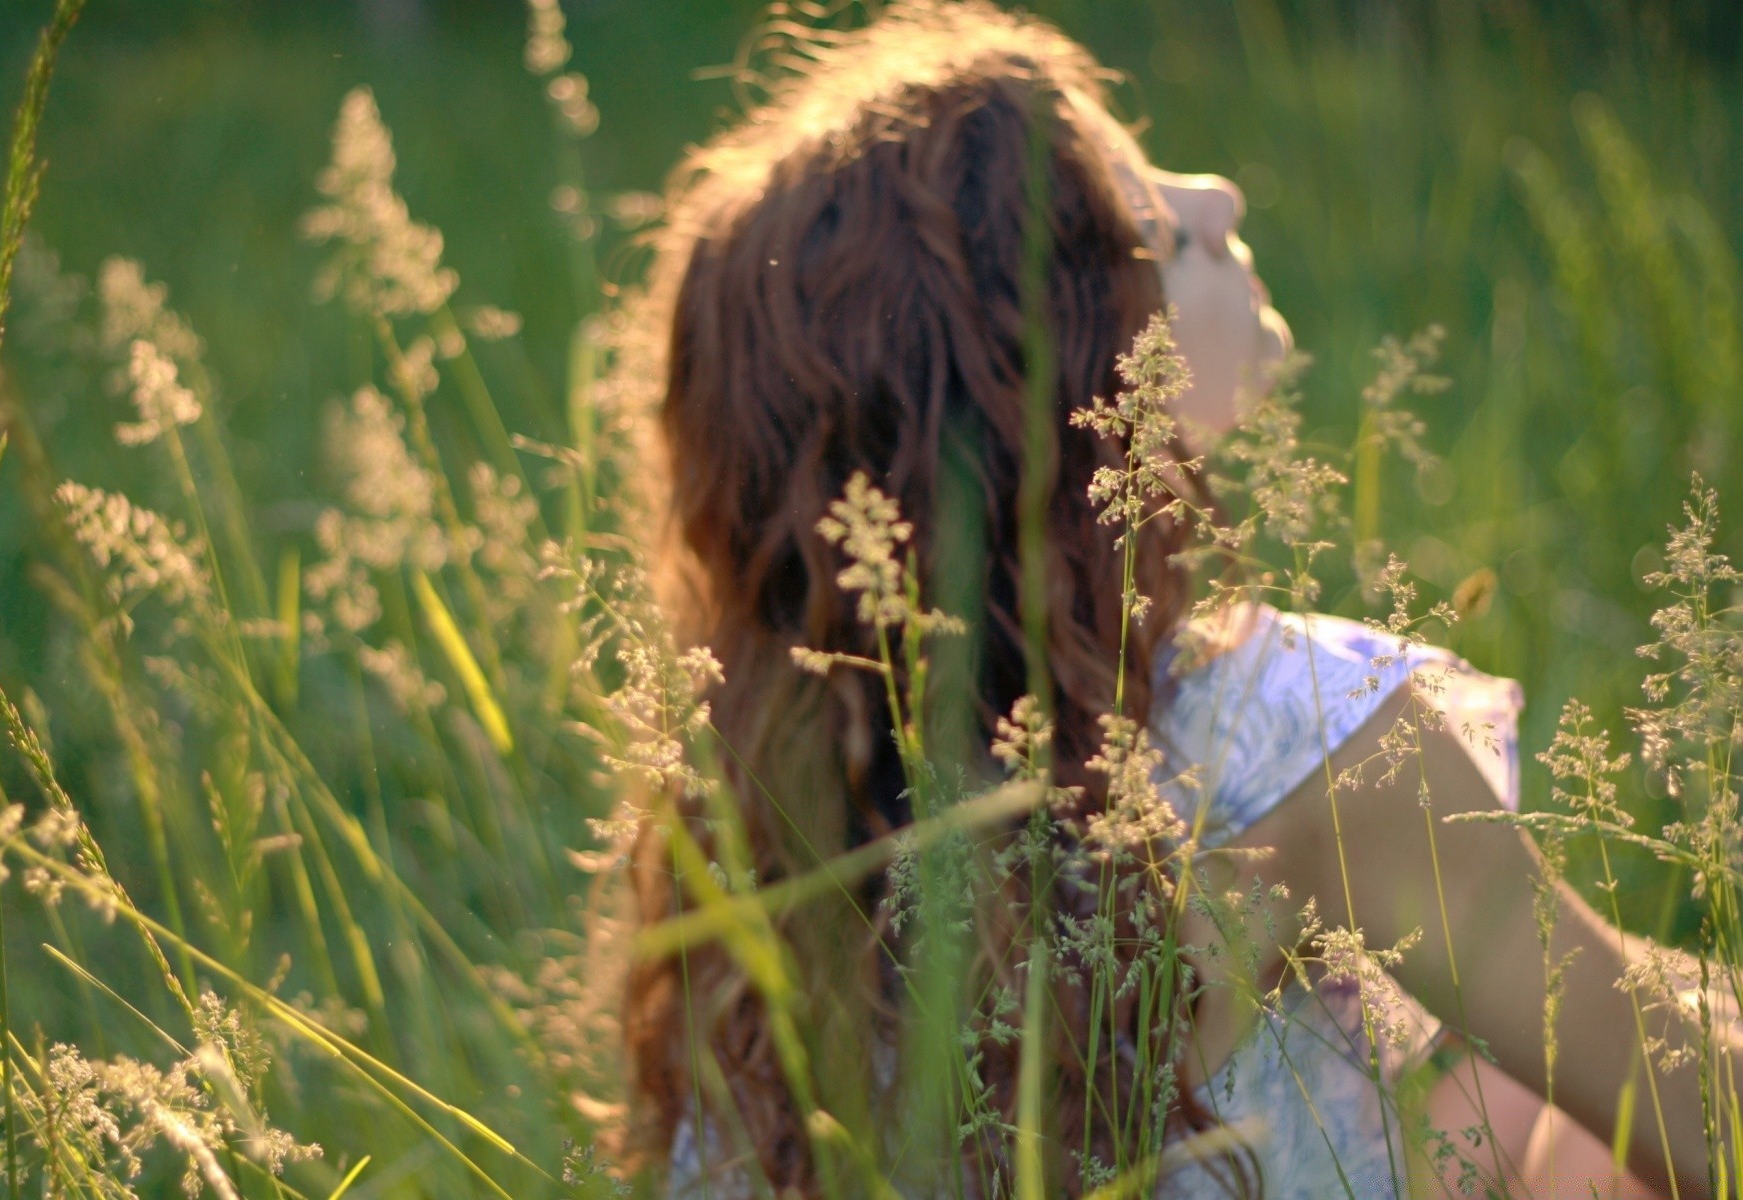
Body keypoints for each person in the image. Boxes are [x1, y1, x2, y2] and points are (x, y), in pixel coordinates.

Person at [615, 2, 1722, 1195]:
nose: (1221, 200)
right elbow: (1700, 1116)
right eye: (1151, 222)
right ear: (1061, 383)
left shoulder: (769, 817)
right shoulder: (1278, 734)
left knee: (1496, 1090)